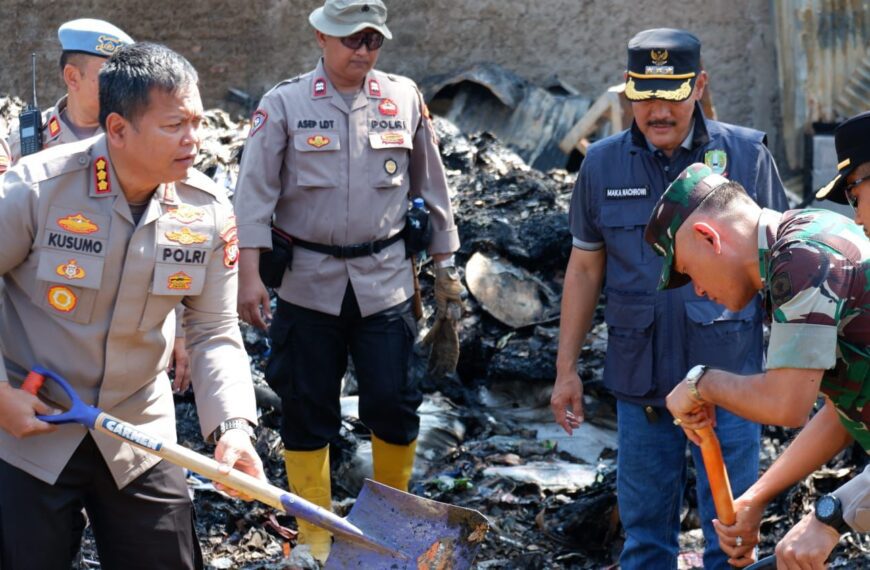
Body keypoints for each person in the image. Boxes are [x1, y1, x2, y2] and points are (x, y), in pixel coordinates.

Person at [0, 42, 263, 570]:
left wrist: (233, 427)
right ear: (117, 130)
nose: (194, 140)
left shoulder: (205, 210)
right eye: (174, 126)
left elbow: (213, 331)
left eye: (196, 121)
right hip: (27, 431)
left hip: (138, 434)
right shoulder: (36, 190)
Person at [550, 28, 788, 569]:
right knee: (644, 544)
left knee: (731, 543)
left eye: (673, 94)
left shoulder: (746, 156)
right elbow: (585, 269)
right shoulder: (603, 165)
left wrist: (790, 372)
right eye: (646, 95)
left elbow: (781, 271)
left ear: (699, 86)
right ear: (628, 92)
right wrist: (566, 370)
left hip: (732, 382)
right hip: (643, 383)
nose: (658, 110)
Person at [233, 0, 462, 562]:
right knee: (307, 406)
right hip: (308, 283)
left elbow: (432, 188)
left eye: (372, 41)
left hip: (385, 281)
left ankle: (390, 526)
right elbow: (253, 195)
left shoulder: (402, 98)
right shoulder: (283, 104)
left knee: (394, 401)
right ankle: (313, 531)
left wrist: (446, 271)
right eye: (351, 40)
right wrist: (247, 276)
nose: (363, 51)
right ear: (320, 37)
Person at [647, 161, 869, 568]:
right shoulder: (804, 235)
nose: (697, 288)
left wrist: (703, 383)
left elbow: (786, 406)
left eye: (688, 271)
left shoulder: (802, 261)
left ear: (707, 237)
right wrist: (756, 497)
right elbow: (845, 410)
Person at [7, 18, 133, 162]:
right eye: (108, 75)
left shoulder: (134, 134)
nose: (118, 85)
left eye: (122, 77)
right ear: (72, 77)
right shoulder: (23, 139)